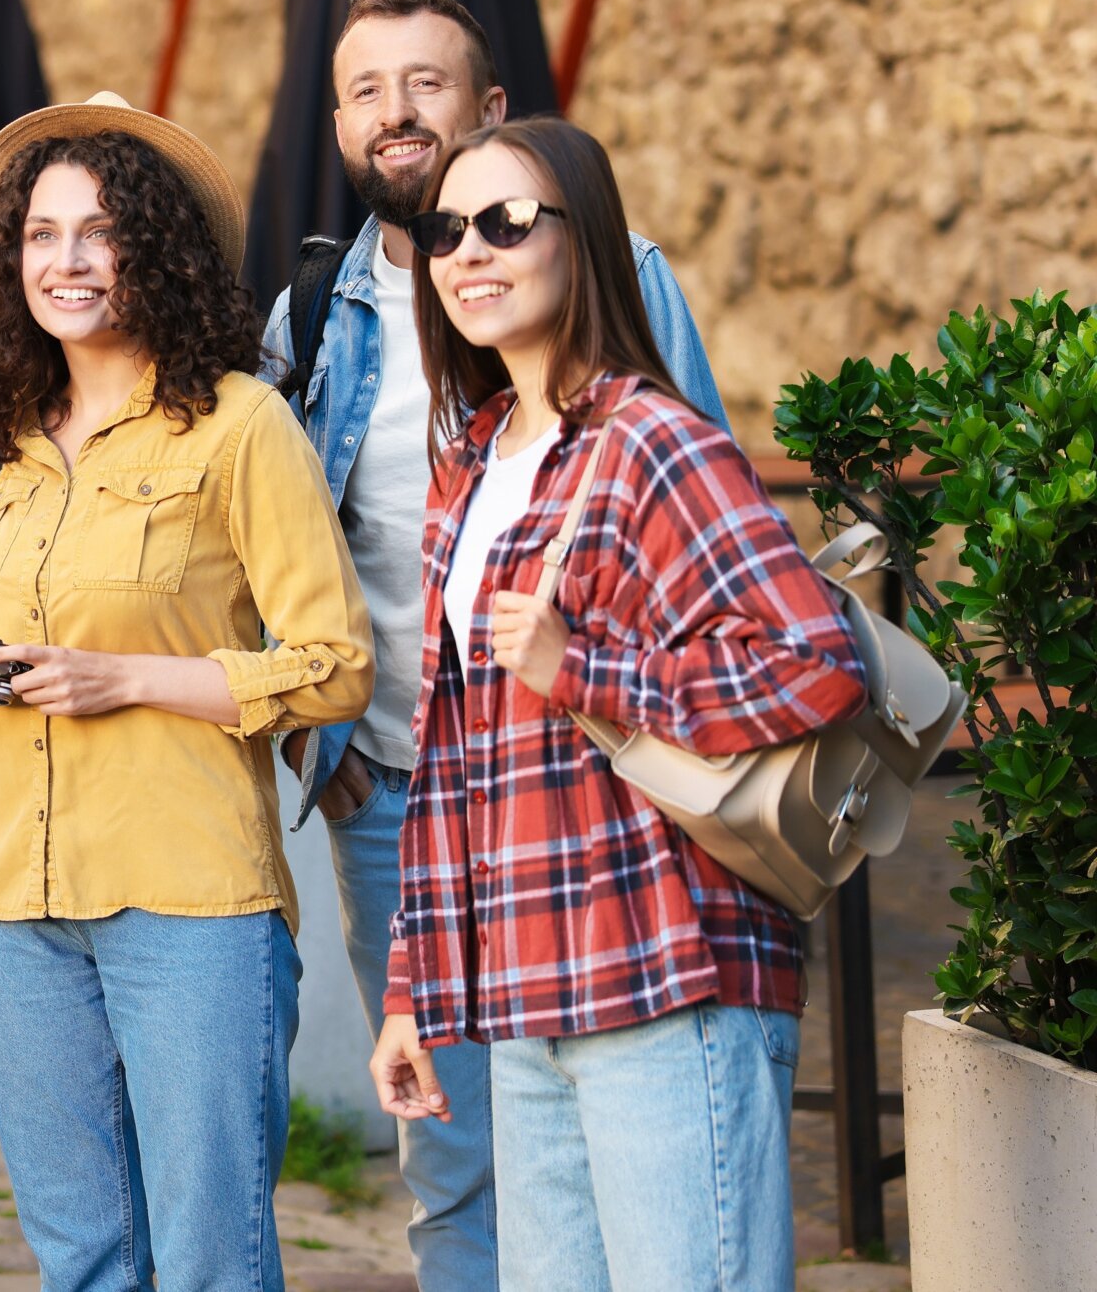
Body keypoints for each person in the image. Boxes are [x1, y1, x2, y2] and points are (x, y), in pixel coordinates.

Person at [258, 0, 726, 1288]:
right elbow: (265, 548)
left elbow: (711, 517)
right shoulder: (311, 318)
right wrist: (320, 741)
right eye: (366, 90)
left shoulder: (617, 278)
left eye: (427, 84)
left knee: (615, 1140)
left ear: (494, 111)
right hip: (398, 786)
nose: (396, 113)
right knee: (452, 1141)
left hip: (599, 779)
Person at [368, 116, 865, 1292]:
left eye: (505, 222)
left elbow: (815, 659)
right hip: (530, 999)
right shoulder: (470, 462)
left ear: (581, 240)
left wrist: (585, 667)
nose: (469, 252)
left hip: (665, 972)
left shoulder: (651, 439)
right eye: (447, 228)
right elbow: (453, 762)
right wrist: (410, 993)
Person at [0, 92, 374, 1292]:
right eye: (41, 233)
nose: (65, 260)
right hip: (13, 903)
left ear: (149, 248)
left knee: (214, 1256)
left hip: (190, 903)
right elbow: (16, 623)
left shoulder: (240, 425)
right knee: (82, 1257)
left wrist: (131, 679)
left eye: (96, 231)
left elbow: (335, 665)